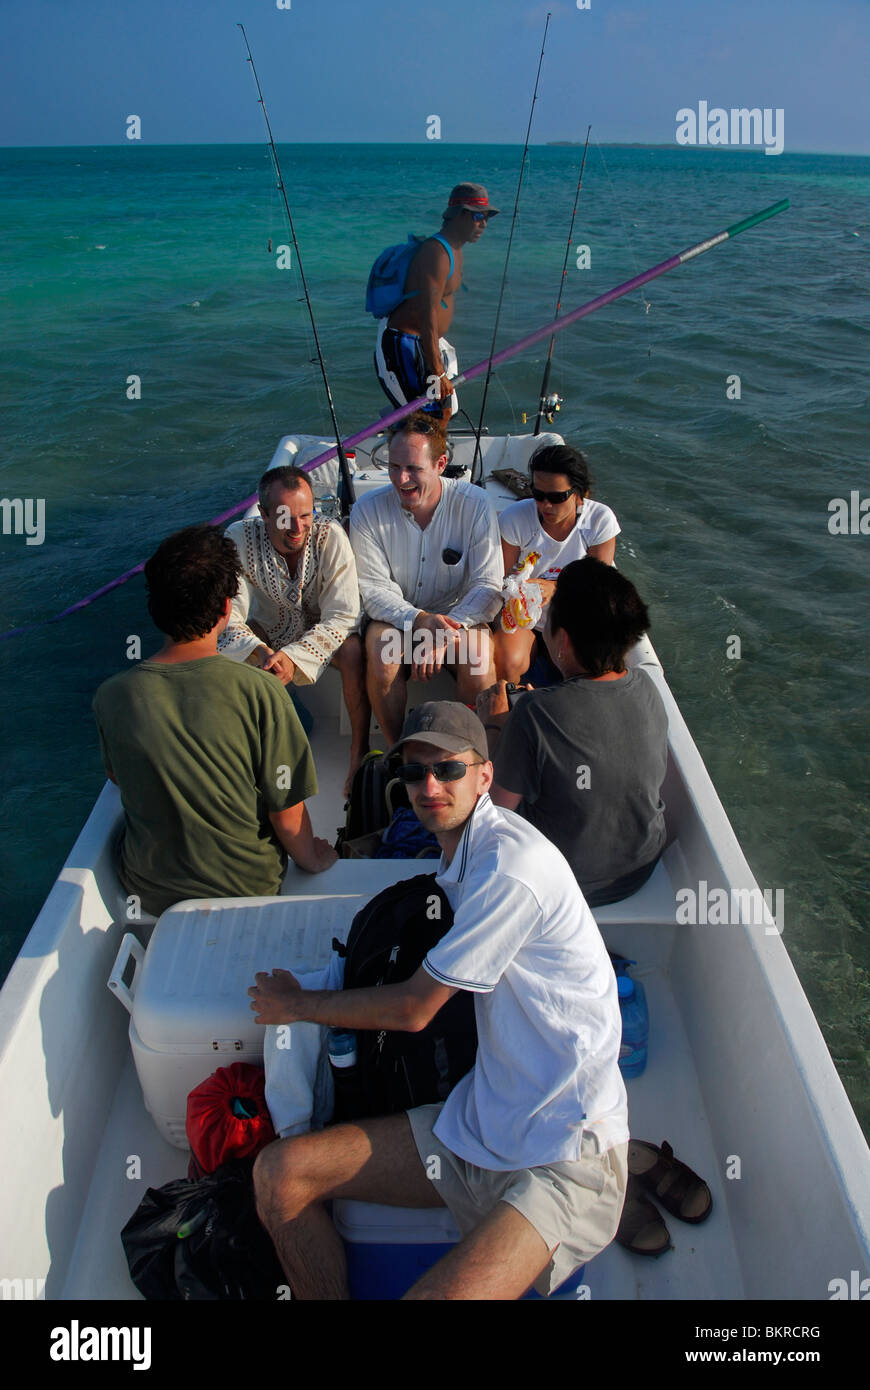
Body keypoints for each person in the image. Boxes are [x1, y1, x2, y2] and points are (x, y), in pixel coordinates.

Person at [249, 701, 628, 1301]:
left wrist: (298, 1005)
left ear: (485, 776)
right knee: (279, 1174)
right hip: (480, 1119)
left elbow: (413, 1009)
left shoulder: (511, 866)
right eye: (415, 771)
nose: (430, 786)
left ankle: (626, 1179)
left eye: (449, 770)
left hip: (559, 1154)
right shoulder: (461, 850)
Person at [92, 524, 337, 918]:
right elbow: (285, 811)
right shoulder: (261, 691)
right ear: (227, 609)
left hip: (147, 891)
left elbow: (120, 776)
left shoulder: (112, 695)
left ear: (155, 607)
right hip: (249, 885)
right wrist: (313, 858)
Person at [480, 557, 668, 908]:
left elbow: (496, 816)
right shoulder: (646, 686)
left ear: (562, 640)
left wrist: (495, 726)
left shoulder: (534, 714)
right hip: (640, 869)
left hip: (563, 882)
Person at [349, 412, 503, 747]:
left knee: (478, 659)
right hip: (396, 619)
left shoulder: (475, 504)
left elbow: (488, 586)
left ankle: (464, 751)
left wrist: (445, 631)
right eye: (393, 467)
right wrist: (419, 620)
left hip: (457, 619)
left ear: (441, 463)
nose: (401, 479)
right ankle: (397, 751)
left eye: (413, 469)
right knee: (383, 655)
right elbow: (372, 590)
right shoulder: (366, 510)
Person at [218, 464, 369, 793]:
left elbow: (343, 615)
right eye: (286, 517)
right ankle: (247, 753)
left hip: (322, 631)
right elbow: (229, 616)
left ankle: (358, 751)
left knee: (355, 650)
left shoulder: (330, 536)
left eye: (306, 515)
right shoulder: (238, 538)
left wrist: (294, 656)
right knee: (226, 654)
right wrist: (261, 651)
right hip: (267, 631)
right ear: (263, 513)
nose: (298, 527)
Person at [494, 442, 621, 685]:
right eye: (538, 495)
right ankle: (508, 715)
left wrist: (555, 588)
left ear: (580, 494)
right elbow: (503, 579)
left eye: (556, 497)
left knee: (595, 661)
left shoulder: (599, 521)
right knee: (506, 660)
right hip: (524, 620)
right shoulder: (514, 519)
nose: (545, 505)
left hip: (573, 618)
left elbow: (599, 587)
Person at [374, 183, 499, 419]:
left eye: (487, 218)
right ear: (459, 215)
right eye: (478, 216)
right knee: (423, 420)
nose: (483, 224)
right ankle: (403, 440)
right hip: (404, 344)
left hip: (427, 343)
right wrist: (438, 373)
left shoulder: (455, 249)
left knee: (443, 412)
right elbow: (427, 314)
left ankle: (416, 440)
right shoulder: (437, 253)